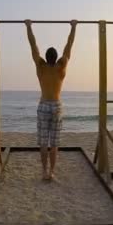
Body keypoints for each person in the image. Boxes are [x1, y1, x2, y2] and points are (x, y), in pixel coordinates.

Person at [24, 19, 77, 180]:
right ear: (56, 57)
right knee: (54, 144)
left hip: (44, 106)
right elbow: (68, 47)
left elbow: (33, 46)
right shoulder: (61, 67)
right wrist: (73, 27)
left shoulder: (41, 66)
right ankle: (51, 173)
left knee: (43, 143)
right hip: (56, 107)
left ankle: (43, 172)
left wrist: (28, 26)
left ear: (46, 57)